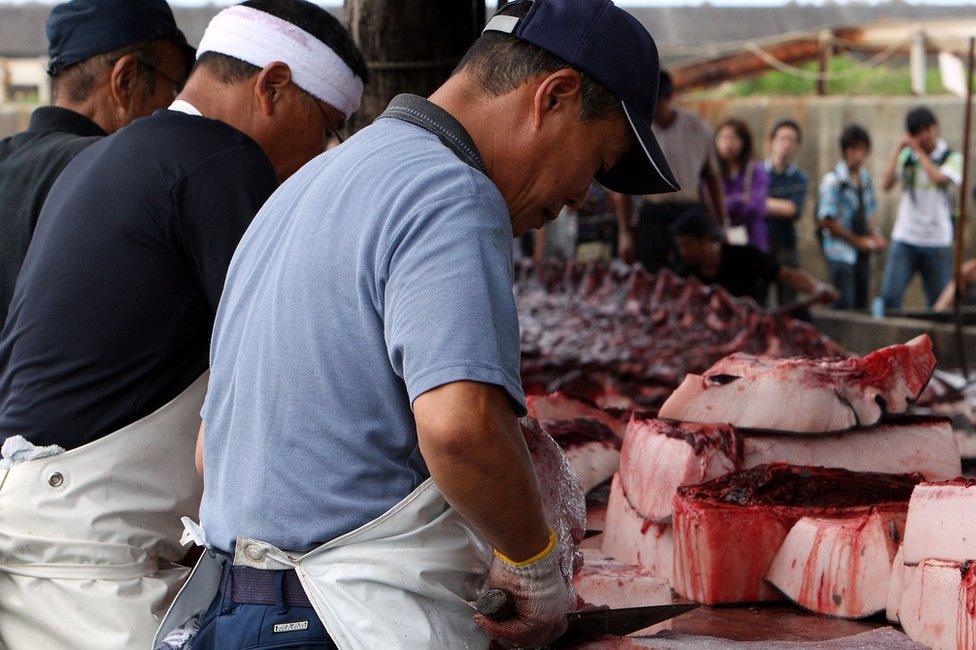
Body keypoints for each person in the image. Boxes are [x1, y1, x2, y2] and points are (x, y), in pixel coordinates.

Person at [172, 1, 678, 648]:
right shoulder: (450, 192)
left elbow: (210, 455)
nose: (583, 196)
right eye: (597, 162)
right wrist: (533, 565)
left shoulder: (303, 188)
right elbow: (461, 426)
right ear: (554, 96)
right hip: (340, 623)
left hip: (239, 613)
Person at [0, 2, 366, 648]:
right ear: (273, 86)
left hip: (40, 536)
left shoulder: (110, 157)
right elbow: (279, 373)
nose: (323, 150)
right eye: (327, 125)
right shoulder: (220, 160)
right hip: (90, 563)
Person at [0, 0, 194, 330]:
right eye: (174, 87)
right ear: (126, 80)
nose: (173, 107)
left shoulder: (8, 157)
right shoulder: (117, 174)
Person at [614, 70, 725, 271]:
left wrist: (721, 223)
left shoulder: (697, 127)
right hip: (653, 214)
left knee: (693, 276)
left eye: (660, 100)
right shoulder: (635, 128)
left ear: (672, 96)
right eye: (651, 101)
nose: (656, 107)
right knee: (652, 275)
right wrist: (625, 233)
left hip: (689, 211)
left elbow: (713, 178)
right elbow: (623, 187)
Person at [880, 106, 963, 310]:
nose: (926, 136)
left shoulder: (951, 157)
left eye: (929, 129)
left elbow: (939, 179)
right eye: (919, 132)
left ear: (936, 128)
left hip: (937, 241)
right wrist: (899, 150)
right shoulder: (907, 158)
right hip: (906, 237)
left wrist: (918, 151)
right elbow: (886, 184)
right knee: (890, 297)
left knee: (938, 305)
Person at [674, 207, 836, 307]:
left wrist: (816, 288)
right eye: (680, 246)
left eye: (687, 245)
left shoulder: (746, 257)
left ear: (707, 239)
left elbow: (786, 275)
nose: (683, 251)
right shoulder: (684, 276)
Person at [817, 124, 886, 310]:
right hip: (840, 252)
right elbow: (827, 221)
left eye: (863, 150)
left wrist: (875, 236)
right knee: (844, 304)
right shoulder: (833, 181)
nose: (859, 155)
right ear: (846, 151)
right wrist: (858, 241)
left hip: (862, 254)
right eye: (855, 149)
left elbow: (870, 212)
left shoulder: (865, 179)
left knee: (862, 304)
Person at [764, 119, 809, 307]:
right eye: (782, 138)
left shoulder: (799, 178)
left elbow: (792, 209)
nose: (786, 144)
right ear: (772, 141)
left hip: (785, 243)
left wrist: (760, 204)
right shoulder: (758, 172)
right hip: (761, 242)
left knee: (789, 300)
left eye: (791, 140)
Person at [716, 117, 769, 252]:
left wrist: (726, 203)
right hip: (720, 241)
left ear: (744, 141)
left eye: (733, 138)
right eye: (722, 138)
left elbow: (757, 206)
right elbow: (709, 205)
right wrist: (741, 200)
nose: (727, 143)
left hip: (752, 240)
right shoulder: (712, 172)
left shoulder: (755, 170)